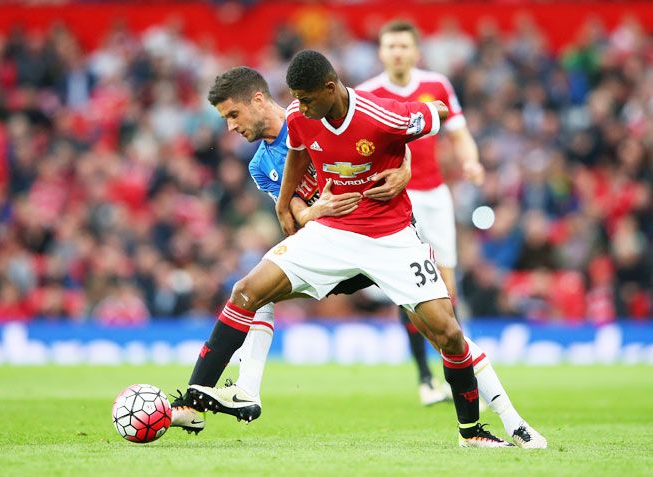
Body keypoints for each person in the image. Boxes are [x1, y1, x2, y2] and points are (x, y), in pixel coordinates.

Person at [176, 52, 514, 448]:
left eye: (232, 115)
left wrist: (404, 167)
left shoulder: (314, 114)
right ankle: (218, 398)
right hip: (333, 245)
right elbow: (294, 215)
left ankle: (504, 417)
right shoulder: (260, 165)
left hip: (384, 235)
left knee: (444, 331)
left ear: (257, 100)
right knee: (251, 292)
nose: (230, 127)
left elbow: (381, 139)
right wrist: (310, 211)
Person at [357, 19, 484, 406]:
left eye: (403, 46)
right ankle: (426, 378)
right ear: (381, 52)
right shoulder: (366, 94)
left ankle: (456, 371)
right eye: (390, 46)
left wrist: (472, 162)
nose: (397, 52)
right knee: (406, 288)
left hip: (433, 195)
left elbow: (459, 132)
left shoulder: (437, 86)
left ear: (416, 51)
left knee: (446, 285)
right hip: (391, 199)